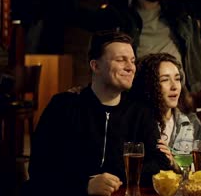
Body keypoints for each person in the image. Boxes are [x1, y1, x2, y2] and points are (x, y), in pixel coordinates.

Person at [26, 31, 170, 196]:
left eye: (132, 61)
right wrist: (85, 185)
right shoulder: (63, 106)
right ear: (95, 66)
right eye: (120, 60)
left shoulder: (141, 112)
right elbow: (39, 168)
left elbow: (160, 164)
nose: (130, 67)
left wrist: (113, 178)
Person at [131, 53, 201, 170]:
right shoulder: (138, 122)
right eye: (165, 80)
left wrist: (174, 163)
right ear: (149, 85)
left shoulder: (192, 122)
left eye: (177, 79)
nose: (174, 86)